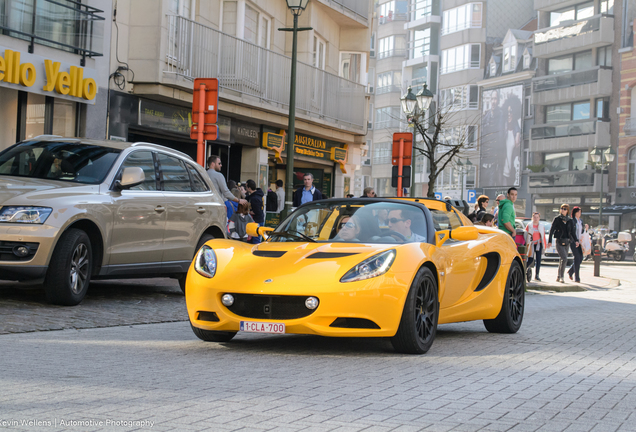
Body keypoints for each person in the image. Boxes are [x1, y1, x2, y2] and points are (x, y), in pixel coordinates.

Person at [548, 204, 576, 283]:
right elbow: (551, 230)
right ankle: (561, 277)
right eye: (561, 208)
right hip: (559, 241)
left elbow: (573, 232)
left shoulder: (570, 220)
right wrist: (549, 241)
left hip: (567, 242)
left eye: (564, 209)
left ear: (567, 211)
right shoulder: (557, 219)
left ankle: (558, 276)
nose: (562, 210)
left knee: (562, 259)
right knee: (564, 258)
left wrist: (576, 240)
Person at [502, 95, 522, 186]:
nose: (509, 114)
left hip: (512, 174)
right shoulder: (503, 126)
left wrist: (518, 134)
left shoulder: (516, 129)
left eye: (511, 112)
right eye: (508, 112)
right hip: (502, 172)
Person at [525, 212, 547, 281]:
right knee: (530, 259)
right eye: (534, 217)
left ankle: (537, 275)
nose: (536, 219)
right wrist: (526, 244)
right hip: (531, 243)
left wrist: (544, 245)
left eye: (537, 217)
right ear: (532, 218)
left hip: (538, 243)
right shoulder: (529, 225)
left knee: (538, 259)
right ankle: (524, 270)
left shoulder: (541, 226)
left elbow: (543, 236)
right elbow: (526, 234)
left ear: (539, 218)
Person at [245, 179, 265, 244]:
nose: (245, 188)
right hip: (259, 220)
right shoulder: (257, 195)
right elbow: (247, 197)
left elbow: (257, 212)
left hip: (256, 221)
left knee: (255, 240)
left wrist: (248, 212)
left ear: (249, 188)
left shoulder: (254, 198)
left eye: (246, 187)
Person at [567, 207, 583, 283]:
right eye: (579, 212)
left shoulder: (581, 221)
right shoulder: (572, 221)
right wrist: (574, 240)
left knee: (581, 258)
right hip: (573, 241)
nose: (580, 213)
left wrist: (586, 228)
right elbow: (571, 232)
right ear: (575, 212)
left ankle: (571, 271)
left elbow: (582, 231)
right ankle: (577, 277)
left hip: (580, 242)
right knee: (577, 257)